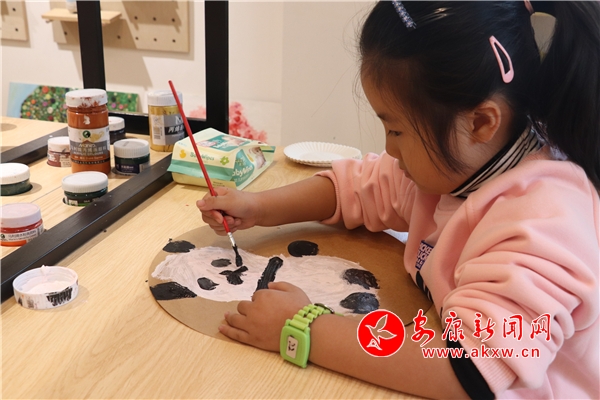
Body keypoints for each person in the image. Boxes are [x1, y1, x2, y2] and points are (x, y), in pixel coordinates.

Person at [197, 1, 599, 398]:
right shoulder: (456, 168)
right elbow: (354, 188)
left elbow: (466, 371)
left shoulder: (541, 224)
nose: (389, 149)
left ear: (480, 122)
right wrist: (259, 207)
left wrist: (304, 327)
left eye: (397, 131)